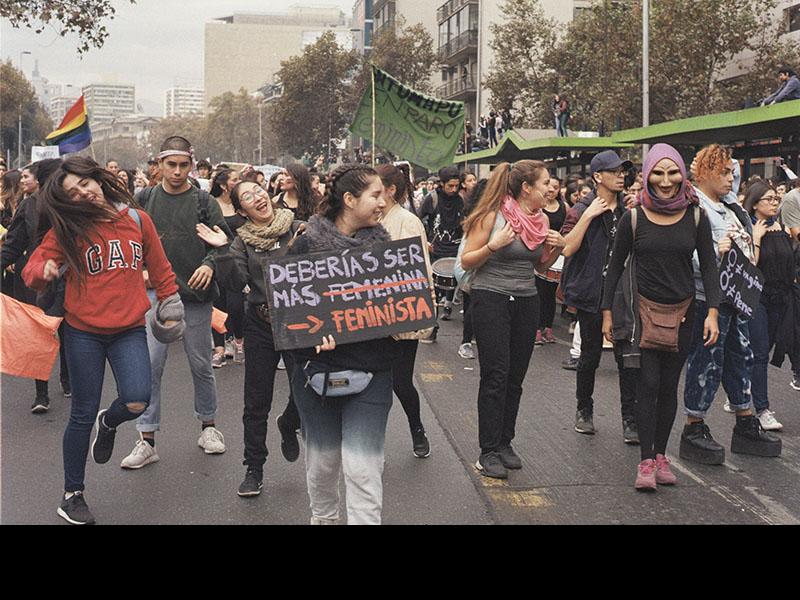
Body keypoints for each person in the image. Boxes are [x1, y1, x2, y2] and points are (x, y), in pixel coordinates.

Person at [21, 156, 181, 524]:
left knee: (139, 399)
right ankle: (72, 494)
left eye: (85, 184)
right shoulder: (68, 230)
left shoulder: (138, 220)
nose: (83, 194)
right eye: (73, 194)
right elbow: (36, 264)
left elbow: (161, 269)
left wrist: (171, 306)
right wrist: (41, 272)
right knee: (80, 414)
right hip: (83, 333)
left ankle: (108, 422)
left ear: (98, 179)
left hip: (128, 329)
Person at [600, 144, 721, 491]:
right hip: (641, 314)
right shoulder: (633, 218)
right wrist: (607, 312)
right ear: (647, 175)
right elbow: (613, 269)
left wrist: (712, 312)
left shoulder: (696, 216)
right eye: (658, 172)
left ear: (682, 175)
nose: (666, 180)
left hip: (684, 314)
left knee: (669, 387)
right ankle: (645, 461)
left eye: (672, 173)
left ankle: (662, 456)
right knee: (648, 385)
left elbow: (710, 268)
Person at [286, 164, 397, 525]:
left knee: (364, 468)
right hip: (314, 373)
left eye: (385, 194)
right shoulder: (304, 243)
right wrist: (311, 336)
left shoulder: (386, 249)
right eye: (376, 194)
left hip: (372, 368)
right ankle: (325, 519)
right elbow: (284, 315)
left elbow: (398, 306)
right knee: (323, 462)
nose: (384, 201)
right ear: (350, 200)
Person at [120, 135, 231, 469]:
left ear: (191, 164)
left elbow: (223, 243)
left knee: (201, 364)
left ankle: (209, 427)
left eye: (184, 165)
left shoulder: (203, 201)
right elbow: (127, 243)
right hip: (156, 296)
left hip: (195, 298)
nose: (178, 171)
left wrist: (209, 264)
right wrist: (136, 272)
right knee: (151, 366)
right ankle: (146, 438)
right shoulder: (144, 199)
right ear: (160, 164)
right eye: (172, 164)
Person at [197, 180, 305, 497]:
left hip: (299, 322)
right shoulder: (240, 242)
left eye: (259, 190)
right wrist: (221, 251)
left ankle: (289, 422)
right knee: (256, 402)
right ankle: (254, 468)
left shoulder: (298, 228)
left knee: (305, 388)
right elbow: (235, 281)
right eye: (247, 197)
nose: (257, 197)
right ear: (242, 210)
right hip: (260, 324)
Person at [461, 160, 566, 479]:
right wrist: (493, 245)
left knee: (515, 377)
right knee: (496, 374)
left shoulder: (541, 219)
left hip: (526, 299)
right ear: (526, 188)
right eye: (546, 182)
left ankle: (505, 443)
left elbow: (539, 266)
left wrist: (557, 249)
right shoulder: (492, 215)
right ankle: (487, 451)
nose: (551, 187)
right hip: (491, 297)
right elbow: (467, 259)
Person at [680, 145, 781, 464]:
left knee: (741, 357)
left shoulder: (731, 208)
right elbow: (686, 251)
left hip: (736, 297)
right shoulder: (693, 206)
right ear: (706, 172)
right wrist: (713, 253)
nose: (731, 177)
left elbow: (747, 243)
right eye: (724, 171)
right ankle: (693, 427)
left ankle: (745, 421)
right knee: (707, 360)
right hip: (707, 298)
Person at [560, 150, 639, 443]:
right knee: (590, 354)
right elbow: (566, 248)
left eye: (623, 171)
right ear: (598, 176)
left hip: (621, 295)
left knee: (626, 357)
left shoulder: (627, 211)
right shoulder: (581, 209)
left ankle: (630, 419)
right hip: (591, 293)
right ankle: (584, 410)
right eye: (615, 171)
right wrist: (590, 214)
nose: (621, 175)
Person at [1, 159, 71, 411]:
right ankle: (41, 393)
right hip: (36, 282)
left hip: (72, 283)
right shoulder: (29, 206)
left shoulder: (75, 206)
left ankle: (68, 379)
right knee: (39, 334)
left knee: (69, 333)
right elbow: (14, 243)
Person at [376, 164, 434, 459]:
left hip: (401, 316)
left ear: (391, 190)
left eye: (376, 189)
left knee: (401, 381)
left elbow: (419, 270)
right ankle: (373, 442)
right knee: (374, 383)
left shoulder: (408, 222)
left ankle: (417, 428)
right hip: (371, 317)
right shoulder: (370, 219)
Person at [743, 181, 795, 428]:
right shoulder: (750, 229)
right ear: (754, 204)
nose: (775, 203)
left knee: (771, 346)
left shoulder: (782, 227)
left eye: (776, 199)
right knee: (760, 352)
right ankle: (762, 409)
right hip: (758, 299)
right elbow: (748, 266)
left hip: (782, 298)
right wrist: (755, 239)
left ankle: (740, 389)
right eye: (769, 199)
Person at [418, 166, 465, 331]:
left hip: (455, 248)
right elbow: (418, 220)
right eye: (450, 186)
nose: (453, 189)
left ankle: (448, 305)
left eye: (456, 186)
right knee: (434, 288)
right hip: (435, 249)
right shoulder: (432, 199)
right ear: (442, 184)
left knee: (452, 280)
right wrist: (425, 242)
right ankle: (432, 324)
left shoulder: (460, 201)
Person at [209, 168, 245, 367]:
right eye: (234, 179)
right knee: (218, 305)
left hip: (237, 263)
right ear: (223, 185)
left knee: (236, 306)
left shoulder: (241, 205)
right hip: (216, 260)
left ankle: (238, 341)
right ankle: (220, 348)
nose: (238, 182)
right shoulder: (211, 205)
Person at [535, 176, 567, 345]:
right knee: (539, 293)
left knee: (550, 295)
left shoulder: (564, 207)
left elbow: (569, 227)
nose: (552, 189)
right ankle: (537, 328)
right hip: (541, 253)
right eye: (549, 185)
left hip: (557, 255)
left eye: (556, 187)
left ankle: (548, 327)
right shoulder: (538, 207)